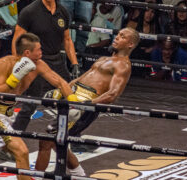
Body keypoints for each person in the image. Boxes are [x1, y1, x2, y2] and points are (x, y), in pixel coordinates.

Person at [0, 33, 79, 180]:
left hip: (6, 114)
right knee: (21, 151)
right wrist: (14, 79)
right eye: (39, 50)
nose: (41, 52)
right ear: (27, 52)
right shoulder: (4, 63)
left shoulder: (39, 65)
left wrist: (74, 101)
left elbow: (60, 82)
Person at [34, 28, 140, 177]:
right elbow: (80, 79)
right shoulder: (104, 59)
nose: (117, 37)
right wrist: (62, 91)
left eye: (122, 36)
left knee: (46, 141)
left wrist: (86, 104)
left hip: (86, 102)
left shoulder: (123, 65)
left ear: (130, 44)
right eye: (118, 34)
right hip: (74, 96)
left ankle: (34, 177)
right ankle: (79, 174)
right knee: (58, 142)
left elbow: (112, 94)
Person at [10, 0, 80, 137]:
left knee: (70, 98)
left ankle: (70, 135)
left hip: (57, 60)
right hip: (36, 63)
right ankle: (13, 141)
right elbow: (16, 39)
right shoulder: (30, 11)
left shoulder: (63, 11)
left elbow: (67, 39)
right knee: (30, 104)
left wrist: (75, 63)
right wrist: (19, 64)